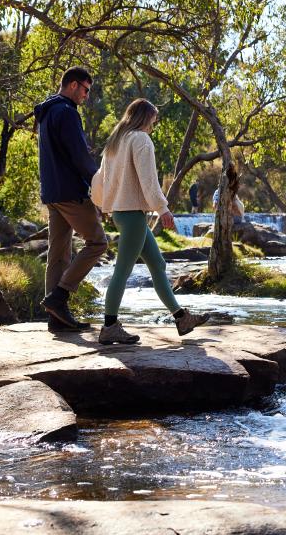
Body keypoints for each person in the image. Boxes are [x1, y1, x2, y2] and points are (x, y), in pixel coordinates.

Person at [91, 99, 208, 345]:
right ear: (144, 118)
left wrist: (105, 206)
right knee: (122, 270)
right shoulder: (140, 140)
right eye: (153, 121)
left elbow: (99, 180)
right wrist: (162, 209)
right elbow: (148, 180)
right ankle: (109, 326)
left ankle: (181, 318)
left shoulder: (115, 141)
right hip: (133, 214)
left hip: (122, 214)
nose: (153, 127)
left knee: (157, 264)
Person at [35, 67, 107, 333]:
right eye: (86, 90)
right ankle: (60, 296)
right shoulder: (66, 112)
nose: (87, 96)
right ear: (74, 85)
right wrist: (100, 186)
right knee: (98, 242)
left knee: (59, 253)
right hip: (70, 192)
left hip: (52, 193)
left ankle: (57, 318)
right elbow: (79, 157)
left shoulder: (47, 112)